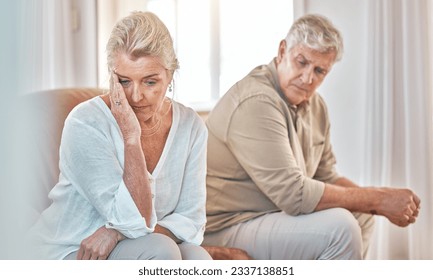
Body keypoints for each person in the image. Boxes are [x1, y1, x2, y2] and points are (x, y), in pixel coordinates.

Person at [202, 14, 421, 260]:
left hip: (268, 215)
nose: (308, 78)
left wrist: (379, 203)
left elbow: (325, 175)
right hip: (226, 225)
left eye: (319, 70)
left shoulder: (316, 106)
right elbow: (293, 195)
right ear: (283, 50)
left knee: (362, 216)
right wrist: (378, 199)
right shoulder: (257, 101)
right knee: (340, 228)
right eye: (301, 62)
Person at [28, 11, 212, 260]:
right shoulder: (85, 122)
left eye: (150, 82)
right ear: (112, 77)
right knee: (161, 251)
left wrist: (115, 233)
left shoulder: (191, 127)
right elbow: (132, 218)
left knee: (197, 258)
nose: (135, 97)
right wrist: (131, 137)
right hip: (73, 250)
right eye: (124, 81)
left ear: (170, 76)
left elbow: (191, 221)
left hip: (127, 245)